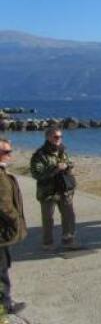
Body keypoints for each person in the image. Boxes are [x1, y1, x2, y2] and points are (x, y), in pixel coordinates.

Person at [30, 127, 79, 251]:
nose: (59, 139)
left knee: (69, 216)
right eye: (56, 137)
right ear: (48, 137)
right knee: (48, 219)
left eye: (60, 137)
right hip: (48, 192)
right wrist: (55, 169)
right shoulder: (39, 154)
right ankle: (47, 243)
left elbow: (70, 163)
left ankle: (68, 240)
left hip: (64, 189)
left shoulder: (62, 151)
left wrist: (68, 166)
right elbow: (37, 174)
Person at [0, 137, 27, 320]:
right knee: (2, 268)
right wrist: (16, 220)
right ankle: (6, 304)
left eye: (10, 151)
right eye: (6, 152)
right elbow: (3, 204)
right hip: (2, 230)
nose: (10, 155)